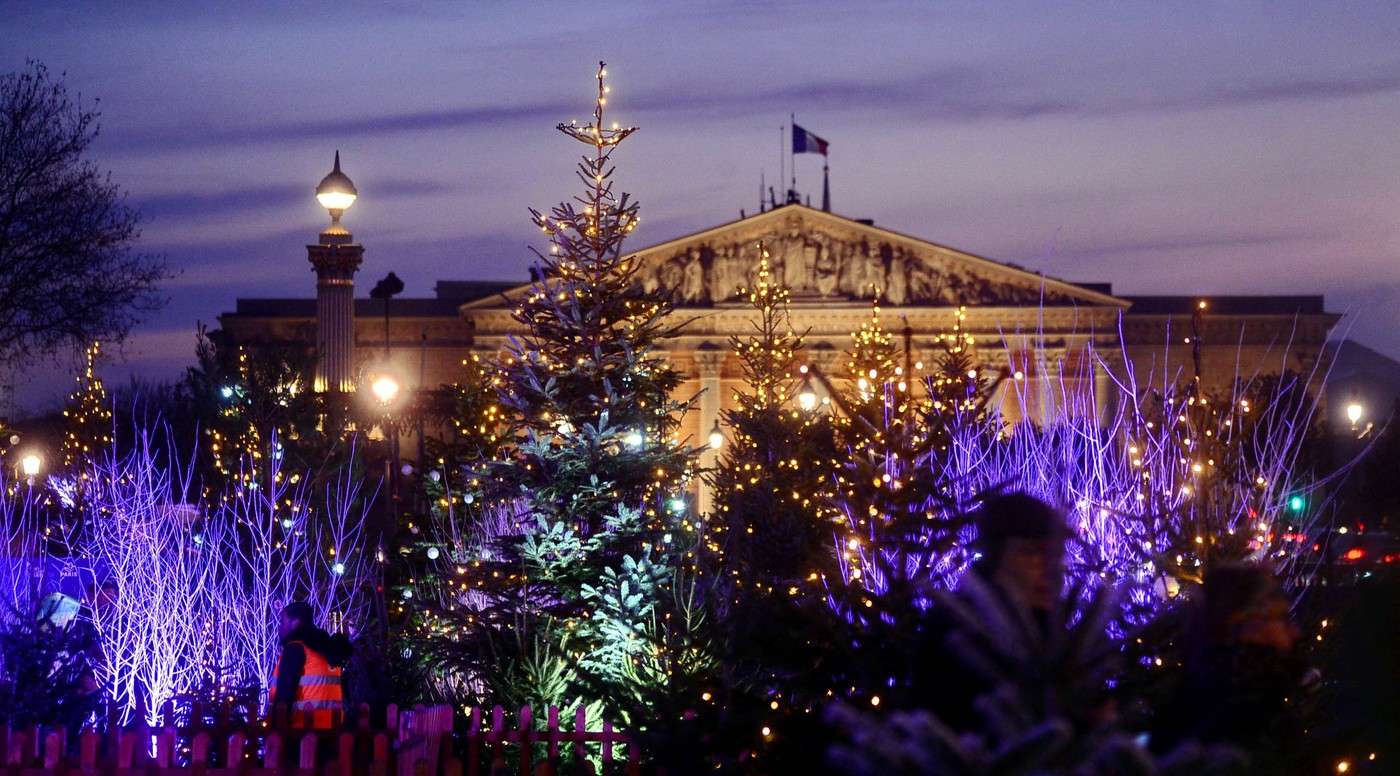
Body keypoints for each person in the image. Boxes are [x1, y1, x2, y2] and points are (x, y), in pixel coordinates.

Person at [907, 492, 1081, 728]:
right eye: (1032, 554)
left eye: (1056, 554)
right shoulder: (957, 629)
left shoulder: (1055, 630)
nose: (1049, 569)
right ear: (995, 557)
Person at [270, 601, 353, 729]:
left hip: (300, 732)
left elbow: (284, 696)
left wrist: (276, 731)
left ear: (296, 623)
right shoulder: (327, 648)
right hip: (332, 731)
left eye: (282, 622)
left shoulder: (296, 649)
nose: (279, 628)